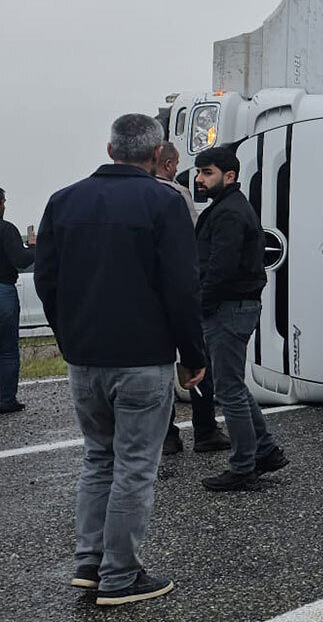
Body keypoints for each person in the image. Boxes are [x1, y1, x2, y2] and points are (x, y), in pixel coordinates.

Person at [34, 114, 206, 606]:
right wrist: (192, 353)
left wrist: (69, 336)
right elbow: (181, 287)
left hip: (85, 356)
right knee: (134, 465)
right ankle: (121, 575)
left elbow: (47, 279)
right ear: (156, 156)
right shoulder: (164, 201)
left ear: (110, 148)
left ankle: (89, 562)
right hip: (142, 357)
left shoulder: (64, 201)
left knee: (97, 458)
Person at [194, 146, 288, 491]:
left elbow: (221, 267)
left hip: (228, 308)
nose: (200, 179)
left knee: (229, 388)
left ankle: (243, 466)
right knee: (232, 383)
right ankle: (264, 451)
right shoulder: (226, 207)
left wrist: (200, 305)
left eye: (208, 173)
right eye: (199, 173)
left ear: (229, 176)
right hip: (232, 306)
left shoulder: (229, 212)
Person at [152, 142, 229, 455]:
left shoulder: (133, 195)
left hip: (148, 298)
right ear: (170, 165)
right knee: (195, 359)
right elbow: (192, 240)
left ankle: (168, 434)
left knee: (158, 367)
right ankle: (205, 429)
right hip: (179, 292)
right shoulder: (174, 193)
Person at [0, 186, 36, 415]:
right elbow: (21, 260)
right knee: (7, 350)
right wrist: (33, 247)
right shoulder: (5, 229)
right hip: (2, 290)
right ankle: (5, 400)